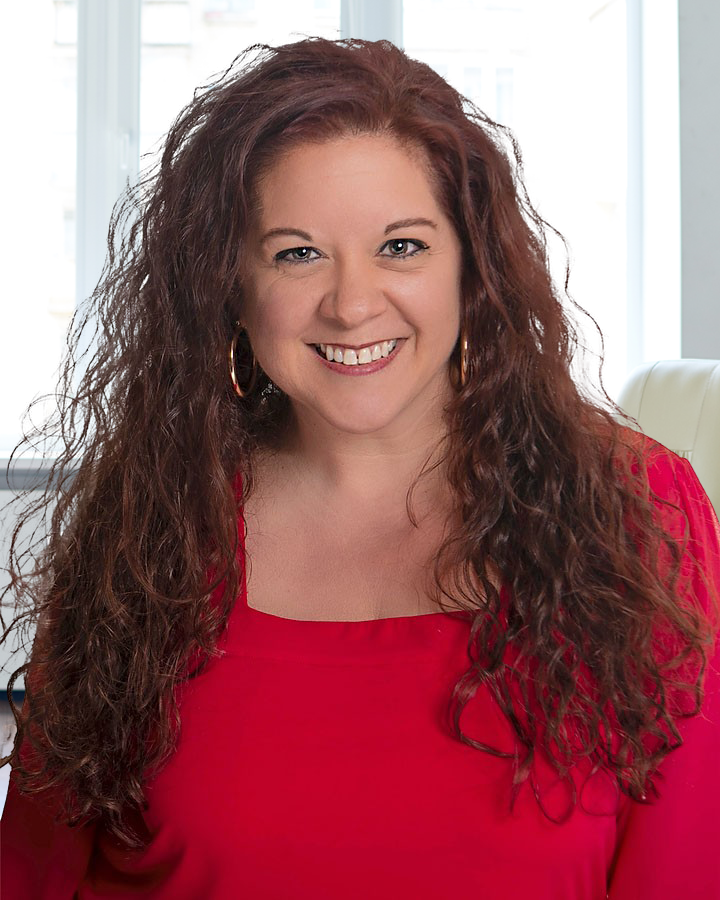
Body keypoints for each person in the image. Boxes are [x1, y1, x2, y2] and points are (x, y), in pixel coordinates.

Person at [1, 37, 718, 899]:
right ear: (231, 286)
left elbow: (682, 865)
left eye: (402, 247)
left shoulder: (640, 512)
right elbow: (37, 871)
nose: (351, 303)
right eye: (296, 252)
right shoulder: (148, 521)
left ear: (473, 267)